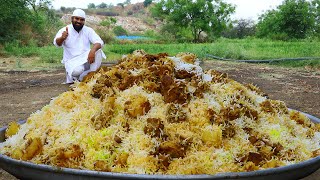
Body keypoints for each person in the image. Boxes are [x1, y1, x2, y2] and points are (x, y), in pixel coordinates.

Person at [53, 9, 106, 84]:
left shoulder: (88, 30)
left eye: (82, 19)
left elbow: (100, 42)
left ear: (84, 21)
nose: (79, 21)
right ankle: (75, 77)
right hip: (72, 61)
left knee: (98, 51)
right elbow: (57, 44)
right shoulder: (64, 30)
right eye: (76, 18)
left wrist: (93, 50)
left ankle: (91, 76)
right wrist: (62, 38)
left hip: (85, 58)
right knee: (77, 70)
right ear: (72, 19)